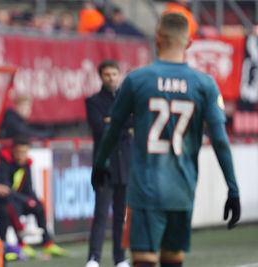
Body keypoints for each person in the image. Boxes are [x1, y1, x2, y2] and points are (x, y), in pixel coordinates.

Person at [92, 13, 241, 267]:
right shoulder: (205, 84)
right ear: (189, 43)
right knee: (173, 259)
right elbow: (220, 141)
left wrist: (100, 164)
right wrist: (232, 188)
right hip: (182, 190)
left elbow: (113, 130)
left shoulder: (136, 80)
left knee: (144, 259)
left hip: (145, 191)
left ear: (157, 39)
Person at [85, 60, 132, 267]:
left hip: (126, 166)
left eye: (114, 74)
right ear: (101, 76)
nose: (111, 78)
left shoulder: (128, 99)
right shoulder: (93, 101)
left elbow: (133, 122)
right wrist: (120, 124)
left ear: (119, 74)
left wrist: (111, 121)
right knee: (101, 214)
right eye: (107, 74)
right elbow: (99, 129)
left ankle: (119, 258)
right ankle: (94, 258)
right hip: (104, 166)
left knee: (122, 217)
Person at [0, 136, 66, 258]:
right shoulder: (5, 165)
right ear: (13, 152)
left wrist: (33, 200)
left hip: (20, 200)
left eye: (24, 152)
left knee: (39, 206)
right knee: (12, 208)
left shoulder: (26, 166)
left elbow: (28, 188)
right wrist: (27, 200)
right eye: (18, 152)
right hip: (9, 200)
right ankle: (22, 244)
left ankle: (48, 242)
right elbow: (7, 189)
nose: (21, 155)